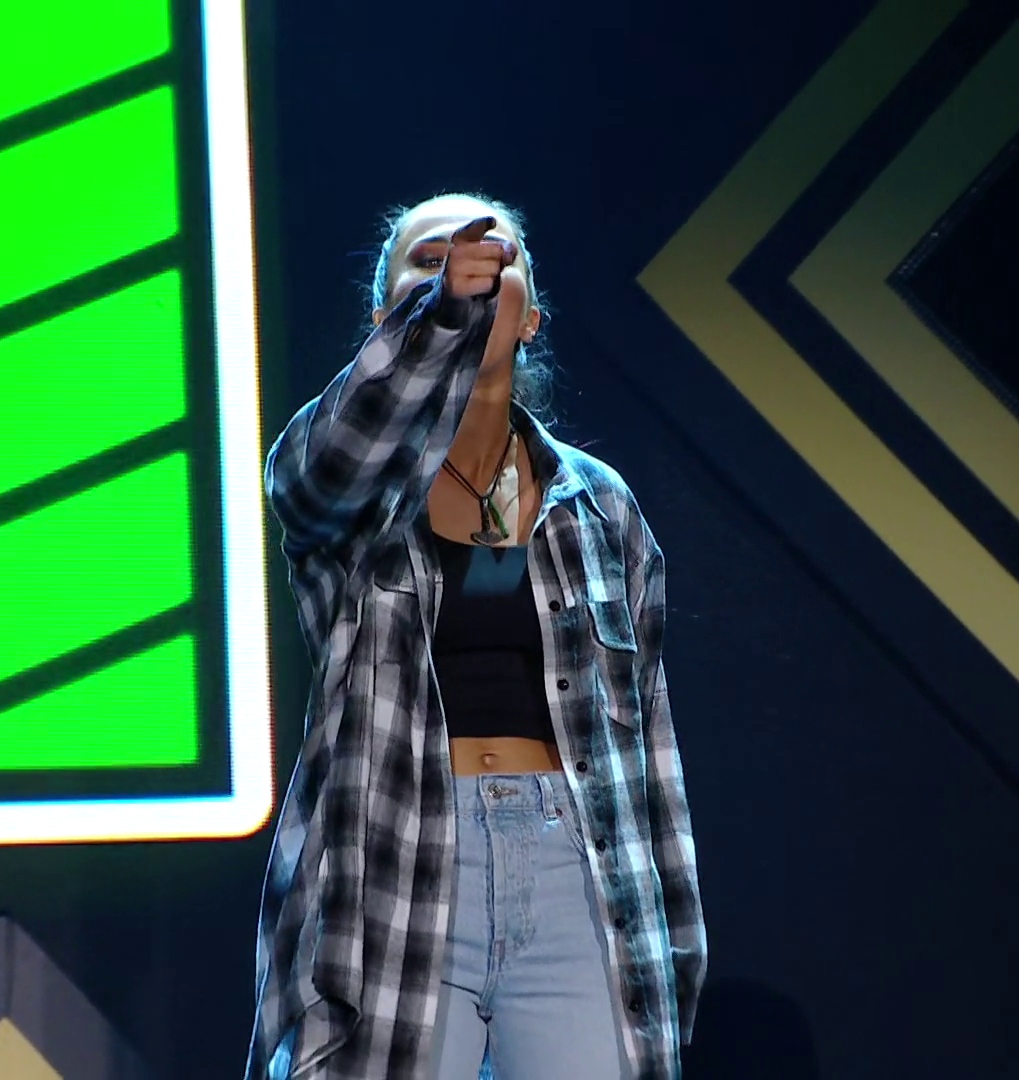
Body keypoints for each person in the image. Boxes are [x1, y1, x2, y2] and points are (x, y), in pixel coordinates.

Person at [247, 193, 706, 1080]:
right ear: (386, 323)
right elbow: (318, 472)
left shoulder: (600, 504)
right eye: (430, 262)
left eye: (499, 262)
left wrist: (670, 952)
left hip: (577, 870)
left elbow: (650, 753)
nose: (470, 272)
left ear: (531, 317)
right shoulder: (350, 493)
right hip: (398, 867)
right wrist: (441, 317)